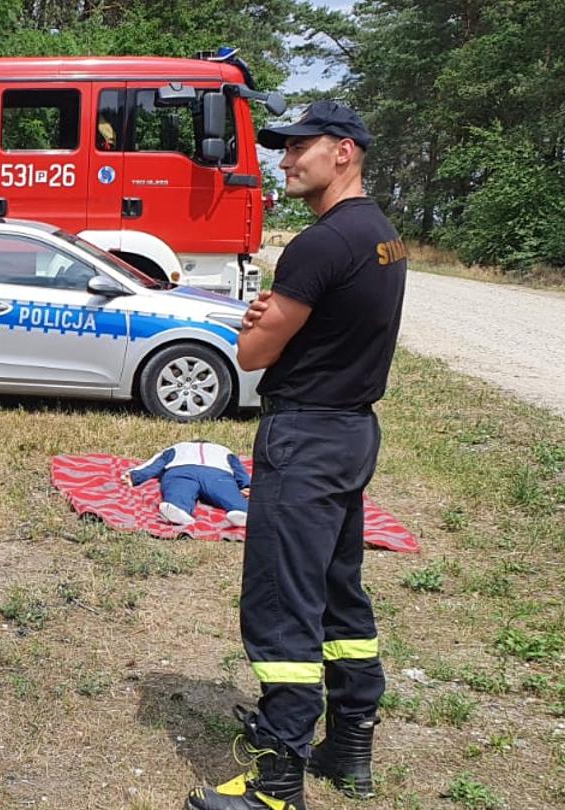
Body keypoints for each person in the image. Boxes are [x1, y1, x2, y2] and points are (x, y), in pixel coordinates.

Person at [185, 100, 405, 810]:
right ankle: (348, 747)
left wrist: (257, 324)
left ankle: (277, 782)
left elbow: (253, 354)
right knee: (340, 593)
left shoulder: (318, 245)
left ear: (343, 151)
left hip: (304, 436)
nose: (284, 161)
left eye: (297, 148)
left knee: (282, 603)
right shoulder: (384, 237)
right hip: (351, 434)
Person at [121, 439, 251, 527]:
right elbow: (239, 469)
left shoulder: (177, 447)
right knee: (227, 493)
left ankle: (177, 507)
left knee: (179, 489)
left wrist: (135, 475)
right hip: (217, 474)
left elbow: (156, 463)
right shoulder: (224, 450)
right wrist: (247, 485)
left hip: (181, 470)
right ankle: (242, 511)